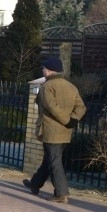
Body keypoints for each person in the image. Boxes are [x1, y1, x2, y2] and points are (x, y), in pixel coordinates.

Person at [23, 56, 86, 203]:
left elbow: (52, 107)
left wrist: (67, 120)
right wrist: (73, 120)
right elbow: (81, 107)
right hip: (66, 131)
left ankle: (61, 193)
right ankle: (35, 184)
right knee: (50, 159)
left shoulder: (47, 87)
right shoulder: (71, 86)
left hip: (52, 131)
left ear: (49, 70)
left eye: (44, 68)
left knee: (54, 162)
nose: (43, 70)